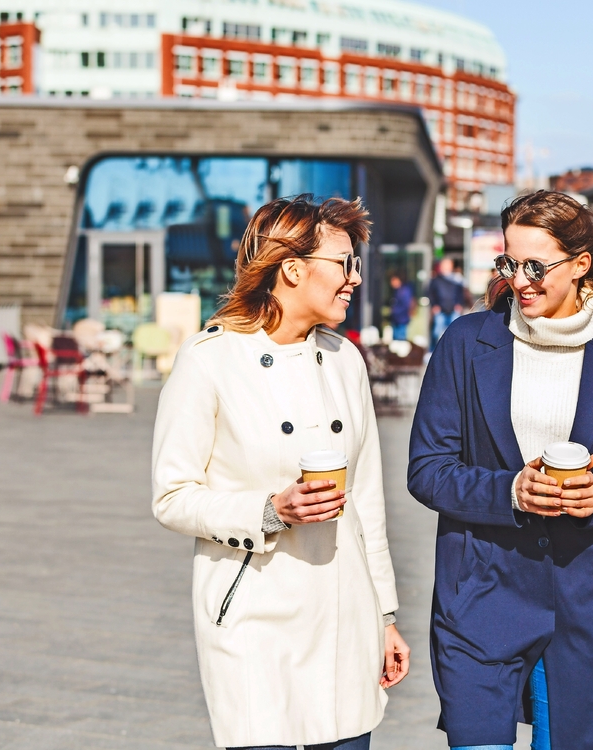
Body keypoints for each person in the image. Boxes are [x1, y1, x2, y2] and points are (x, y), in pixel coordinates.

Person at [152, 196, 409, 750]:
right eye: (343, 263)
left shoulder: (346, 360)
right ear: (292, 269)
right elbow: (172, 496)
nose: (354, 279)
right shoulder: (209, 359)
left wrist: (384, 615)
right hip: (253, 616)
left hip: (343, 616)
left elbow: (366, 503)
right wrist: (268, 510)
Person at [408, 190, 593, 750]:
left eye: (536, 266)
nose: (520, 280)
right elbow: (427, 469)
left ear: (580, 266)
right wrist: (512, 491)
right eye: (509, 263)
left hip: (584, 597)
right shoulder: (465, 344)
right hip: (480, 593)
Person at [429, 257, 467, 350]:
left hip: (453, 309)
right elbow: (430, 293)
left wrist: (459, 304)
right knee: (436, 332)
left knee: (456, 332)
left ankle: (454, 351)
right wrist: (434, 305)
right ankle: (433, 351)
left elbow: (460, 293)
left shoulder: (457, 279)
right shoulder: (436, 280)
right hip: (440, 310)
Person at [389, 273, 415, 341]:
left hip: (402, 318)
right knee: (396, 338)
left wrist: (395, 311)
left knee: (400, 339)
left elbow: (405, 305)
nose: (391, 283)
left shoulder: (404, 291)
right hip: (397, 318)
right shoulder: (397, 291)